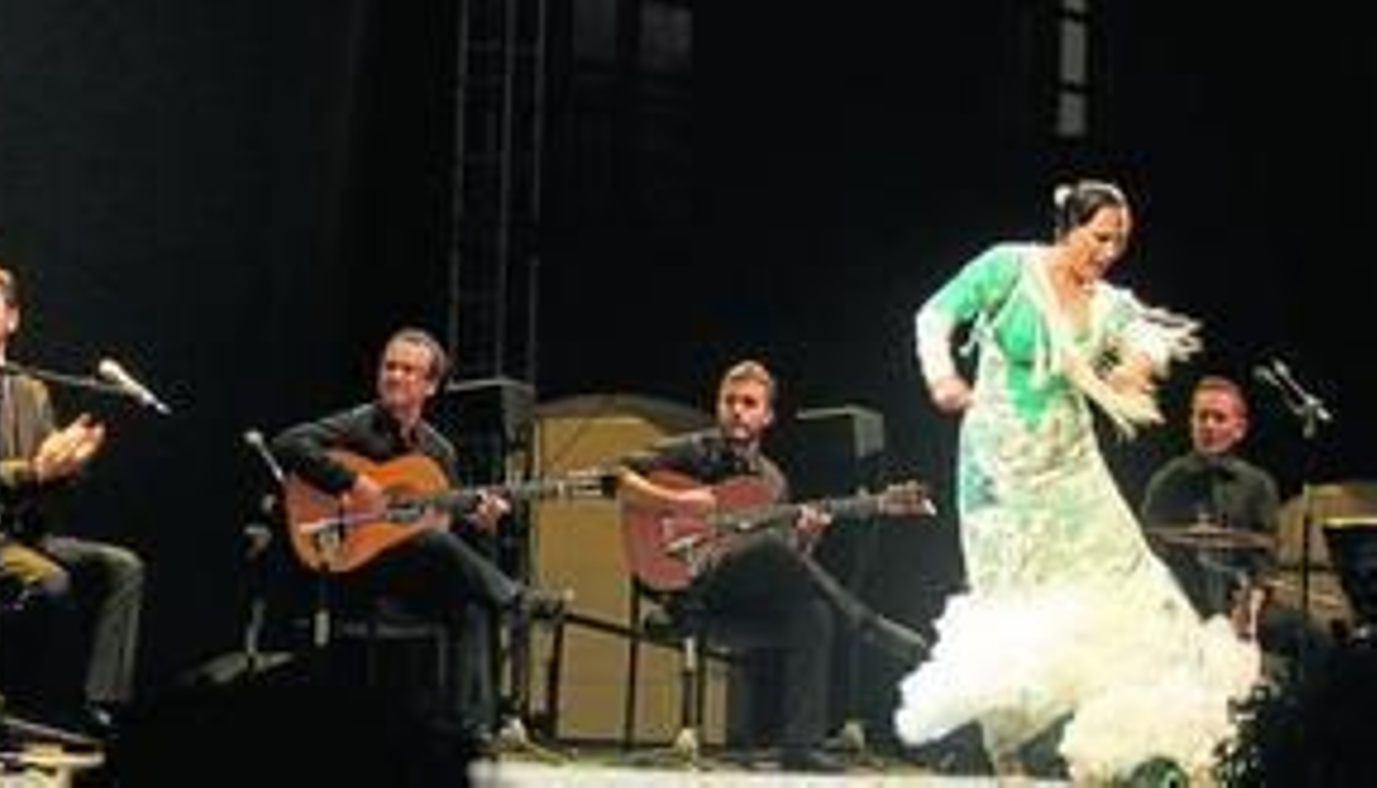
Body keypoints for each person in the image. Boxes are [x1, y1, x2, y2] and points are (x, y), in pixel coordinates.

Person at [896, 179, 1261, 782]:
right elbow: (933, 314)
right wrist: (941, 377)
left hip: (1070, 460)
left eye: (1119, 241)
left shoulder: (1109, 302)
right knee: (1012, 594)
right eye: (1099, 237)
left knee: (1126, 577)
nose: (1109, 250)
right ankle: (1006, 746)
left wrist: (1134, 372)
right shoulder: (1008, 267)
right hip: (997, 462)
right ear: (1068, 227)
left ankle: (1140, 735)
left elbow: (1144, 338)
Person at [614, 359, 929, 773]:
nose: (737, 410)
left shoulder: (774, 481)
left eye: (749, 403)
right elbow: (617, 477)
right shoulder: (693, 451)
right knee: (772, 552)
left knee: (812, 610)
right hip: (693, 586)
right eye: (729, 401)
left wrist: (807, 537)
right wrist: (677, 502)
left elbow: (784, 566)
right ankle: (866, 623)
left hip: (745, 597)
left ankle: (800, 745)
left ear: (767, 416)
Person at [268, 326, 568, 755]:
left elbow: (446, 524)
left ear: (430, 385)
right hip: (353, 567)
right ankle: (518, 601)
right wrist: (353, 479)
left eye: (408, 370)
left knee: (469, 595)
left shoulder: (439, 452)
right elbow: (289, 443)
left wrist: (480, 521)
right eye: (390, 366)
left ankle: (471, 733)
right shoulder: (359, 425)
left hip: (412, 578)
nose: (395, 375)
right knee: (433, 545)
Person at [0, 259, 144, 738]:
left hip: (16, 534)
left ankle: (101, 704)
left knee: (122, 566)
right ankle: (11, 705)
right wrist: (34, 470)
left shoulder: (31, 390)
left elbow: (47, 481)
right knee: (51, 582)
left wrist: (71, 466)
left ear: (12, 318)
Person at [1141, 374, 1332, 677]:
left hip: (1246, 603)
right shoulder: (1167, 481)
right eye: (1201, 416)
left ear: (1239, 429)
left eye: (1219, 418)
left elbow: (1265, 558)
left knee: (1315, 639)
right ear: (1191, 422)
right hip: (1182, 606)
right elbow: (1147, 555)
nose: (1209, 425)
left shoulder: (1259, 485)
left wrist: (1251, 605)